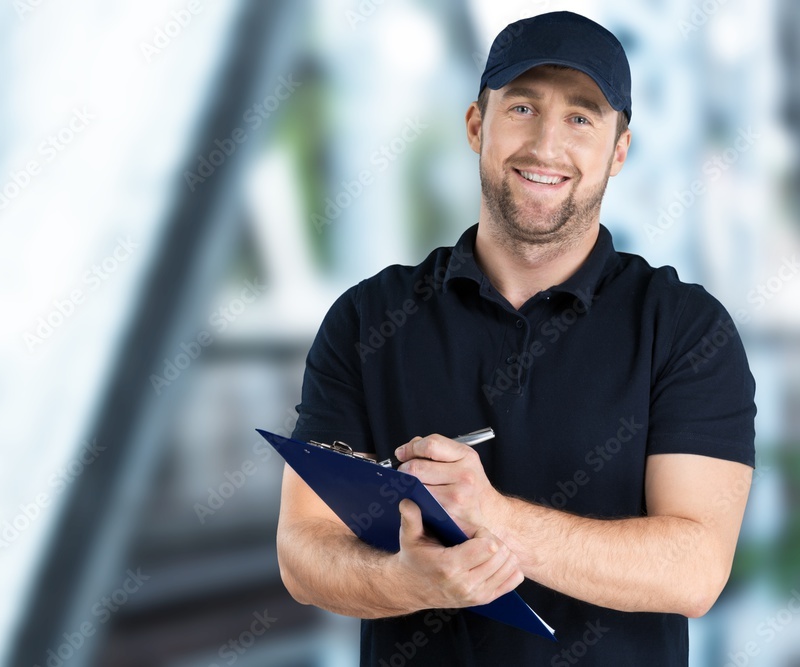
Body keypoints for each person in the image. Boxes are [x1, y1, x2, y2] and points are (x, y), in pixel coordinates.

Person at [276, 10, 756, 666]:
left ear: (619, 150)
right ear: (478, 125)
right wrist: (403, 583)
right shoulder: (367, 319)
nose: (546, 146)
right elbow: (303, 551)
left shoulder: (685, 328)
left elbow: (696, 569)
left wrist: (494, 517)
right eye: (523, 107)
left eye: (581, 117)